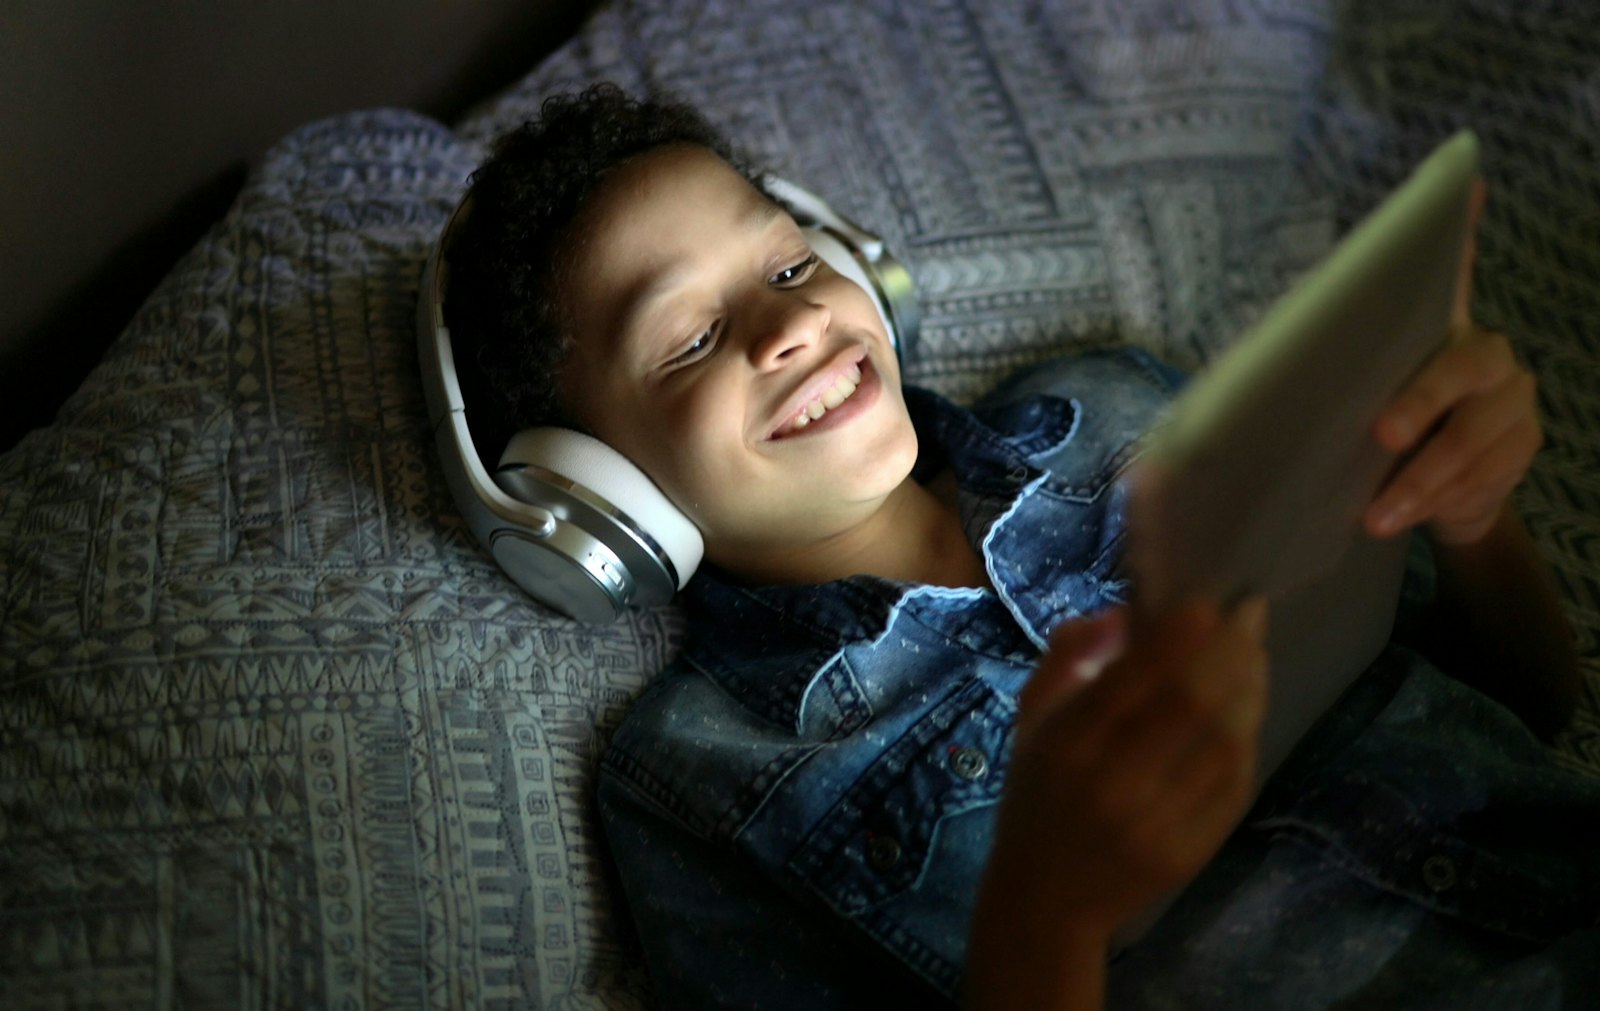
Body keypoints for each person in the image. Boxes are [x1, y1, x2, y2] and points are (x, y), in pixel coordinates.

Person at [445, 84, 1594, 1009]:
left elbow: (1530, 696)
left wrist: (1466, 505)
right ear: (594, 496)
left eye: (792, 265)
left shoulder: (1115, 401)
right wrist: (1052, 919)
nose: (792, 323)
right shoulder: (701, 779)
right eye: (691, 339)